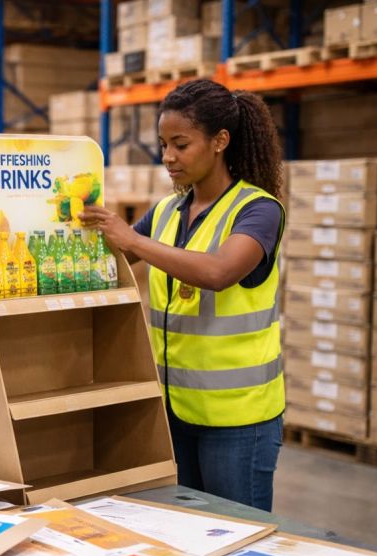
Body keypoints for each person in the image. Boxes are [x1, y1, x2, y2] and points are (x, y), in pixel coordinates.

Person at [81, 79, 285, 512]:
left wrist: (133, 240)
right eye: (163, 145)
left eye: (181, 144)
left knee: (239, 533)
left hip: (237, 418)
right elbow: (114, 260)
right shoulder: (166, 211)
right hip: (175, 408)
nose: (168, 157)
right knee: (186, 530)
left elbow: (218, 272)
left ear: (220, 141)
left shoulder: (258, 210)